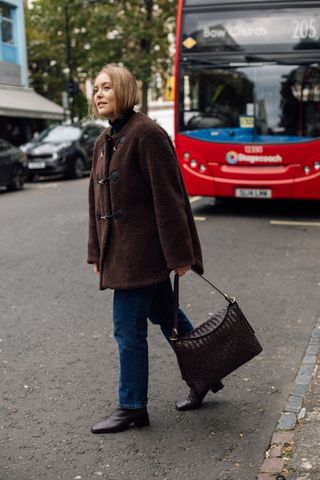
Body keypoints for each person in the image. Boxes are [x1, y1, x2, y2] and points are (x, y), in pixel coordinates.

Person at [87, 64, 223, 434]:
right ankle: (206, 373)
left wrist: (181, 255)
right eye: (95, 88)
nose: (98, 94)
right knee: (169, 317)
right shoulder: (104, 141)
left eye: (106, 88)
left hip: (143, 255)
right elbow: (95, 205)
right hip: (120, 255)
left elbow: (170, 198)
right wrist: (96, 252)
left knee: (127, 330)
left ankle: (132, 407)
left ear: (125, 92)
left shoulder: (147, 134)